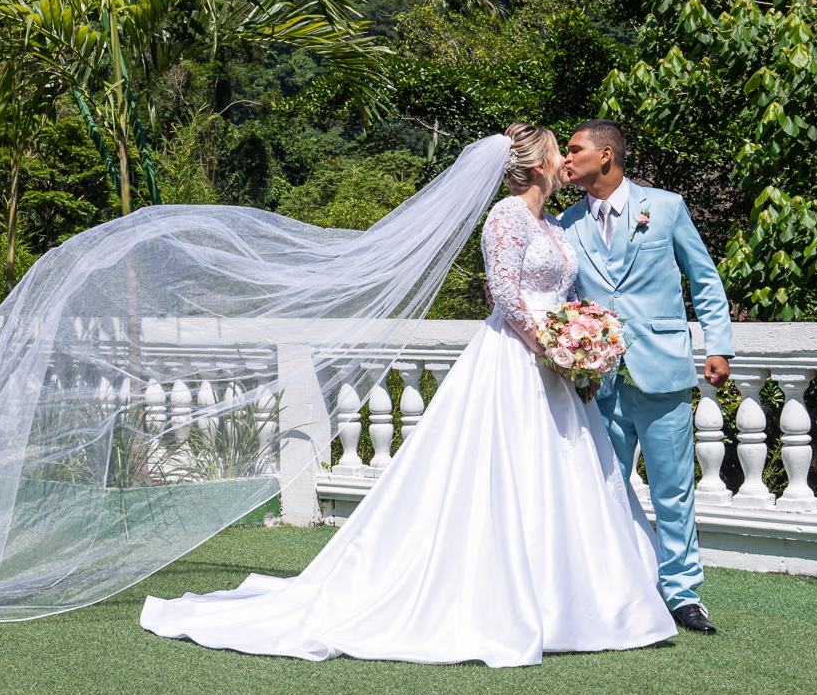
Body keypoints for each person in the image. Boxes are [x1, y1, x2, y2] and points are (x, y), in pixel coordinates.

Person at [139, 123, 678, 667]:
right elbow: (508, 295)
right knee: (507, 474)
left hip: (556, 374)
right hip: (516, 361)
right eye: (559, 148)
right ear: (539, 163)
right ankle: (506, 600)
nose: (565, 158)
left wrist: (580, 340)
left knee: (564, 477)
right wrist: (551, 347)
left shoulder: (556, 226)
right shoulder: (506, 217)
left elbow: (559, 292)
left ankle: (576, 599)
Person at [556, 119, 734, 634]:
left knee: (673, 489)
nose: (567, 158)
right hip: (597, 380)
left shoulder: (667, 207)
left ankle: (682, 593)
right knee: (603, 485)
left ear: (606, 155)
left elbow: (705, 279)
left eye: (575, 149)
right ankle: (619, 584)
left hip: (662, 370)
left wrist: (718, 346)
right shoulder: (566, 223)